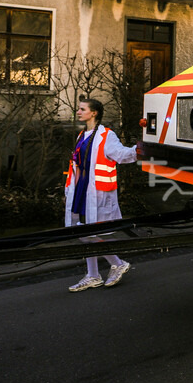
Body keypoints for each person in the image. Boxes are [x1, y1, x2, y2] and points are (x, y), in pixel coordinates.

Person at [64, 99, 138, 292]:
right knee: (83, 232)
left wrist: (139, 150)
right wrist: (68, 190)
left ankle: (110, 266)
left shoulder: (106, 135)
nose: (78, 112)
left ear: (94, 113)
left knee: (90, 232)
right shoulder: (82, 135)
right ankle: (95, 274)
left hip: (96, 191)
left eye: (82, 109)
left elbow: (121, 155)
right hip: (80, 190)